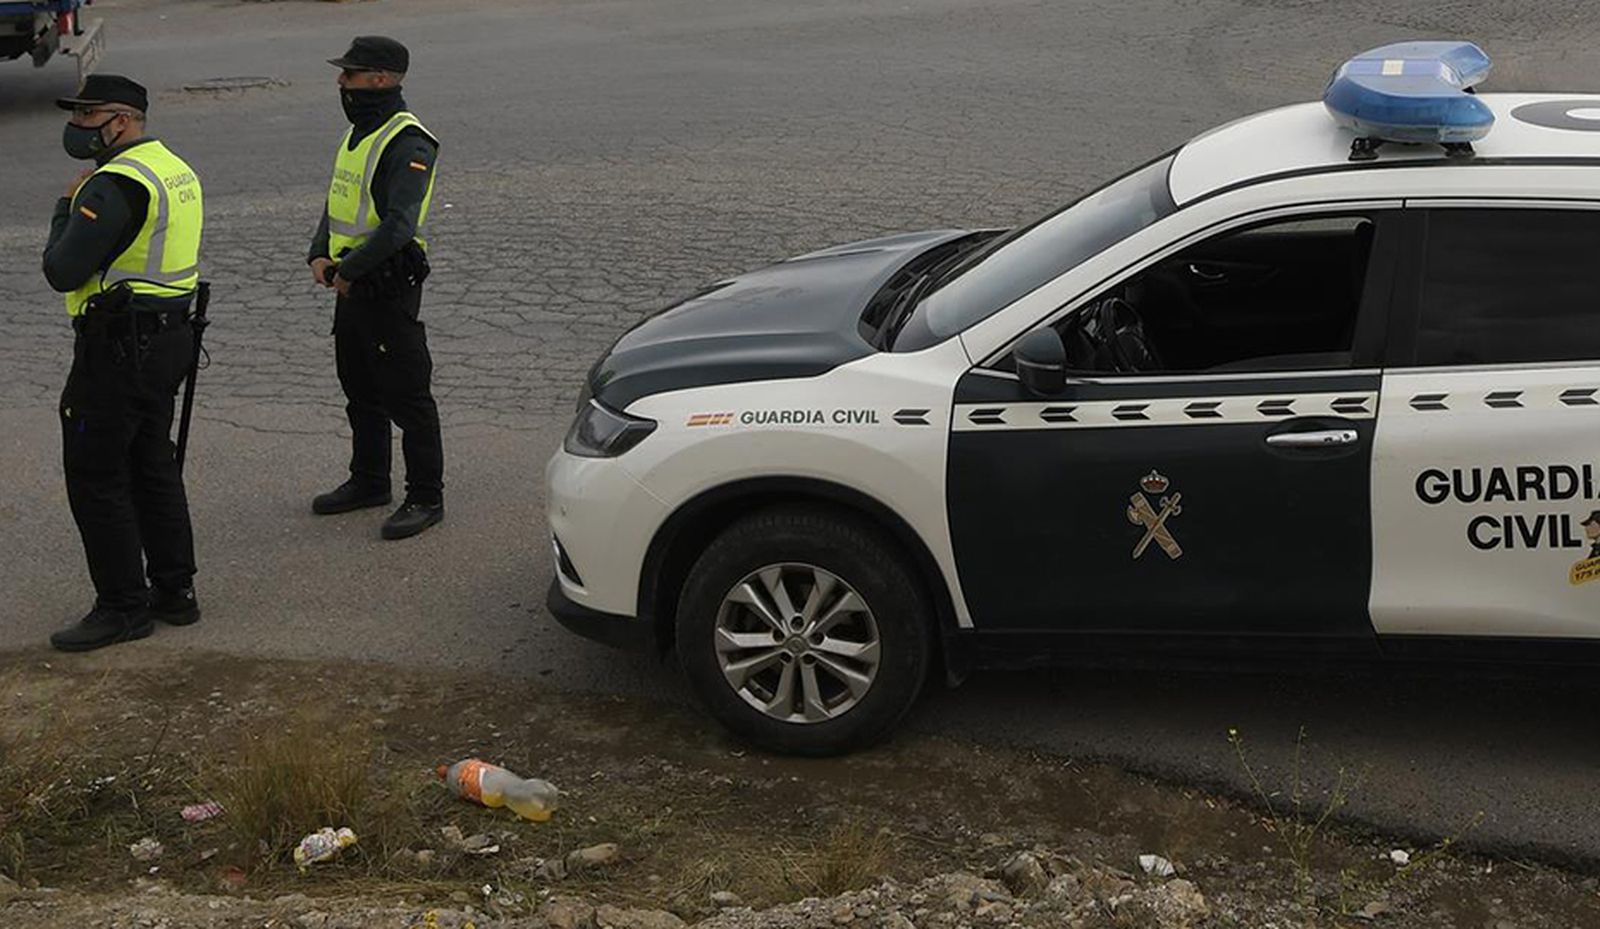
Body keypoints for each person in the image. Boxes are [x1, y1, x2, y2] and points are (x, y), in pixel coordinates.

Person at [41, 74, 204, 652]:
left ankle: (121, 607)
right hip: (166, 340)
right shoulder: (172, 168)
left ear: (123, 121)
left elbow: (62, 269)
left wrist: (65, 207)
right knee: (151, 463)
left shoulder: (112, 186)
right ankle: (175, 592)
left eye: (89, 117)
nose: (78, 127)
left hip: (117, 350)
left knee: (96, 475)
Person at [308, 35, 445, 540]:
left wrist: (348, 271)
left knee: (406, 394)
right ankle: (369, 480)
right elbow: (337, 200)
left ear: (382, 80)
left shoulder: (407, 141)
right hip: (350, 282)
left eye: (351, 74)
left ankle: (426, 496)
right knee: (359, 387)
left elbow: (398, 225)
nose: (341, 83)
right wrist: (318, 252)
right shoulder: (357, 134)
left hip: (385, 283)